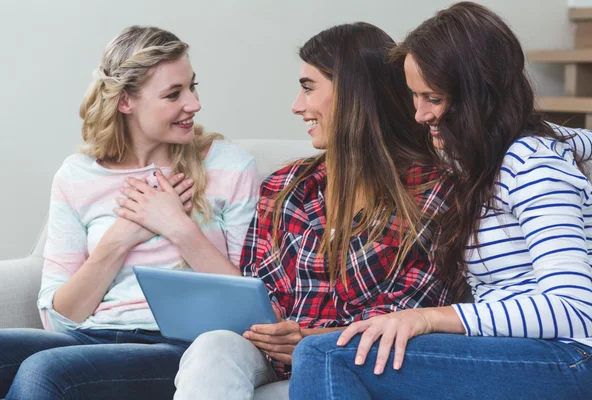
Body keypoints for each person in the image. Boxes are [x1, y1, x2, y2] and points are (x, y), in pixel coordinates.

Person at [289, 3, 592, 399]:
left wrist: (428, 318)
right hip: (519, 350)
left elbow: (570, 308)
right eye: (414, 96)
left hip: (573, 357)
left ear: (477, 95)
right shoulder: (493, 150)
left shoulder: (535, 166)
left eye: (432, 98)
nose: (419, 114)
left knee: (326, 354)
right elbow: (588, 142)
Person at [156, 22, 454, 399]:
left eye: (308, 87)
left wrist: (313, 341)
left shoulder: (432, 193)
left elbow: (415, 312)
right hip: (272, 356)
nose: (297, 106)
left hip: (359, 361)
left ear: (354, 93)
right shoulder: (286, 187)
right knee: (213, 346)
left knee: (316, 365)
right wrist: (274, 332)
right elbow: (261, 295)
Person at [0, 25, 258, 400]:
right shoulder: (77, 175)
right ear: (125, 102)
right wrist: (123, 235)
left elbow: (252, 309)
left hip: (182, 347)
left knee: (46, 371)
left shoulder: (230, 166)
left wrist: (177, 228)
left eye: (192, 86)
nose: (194, 104)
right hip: (87, 337)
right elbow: (59, 317)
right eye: (174, 94)